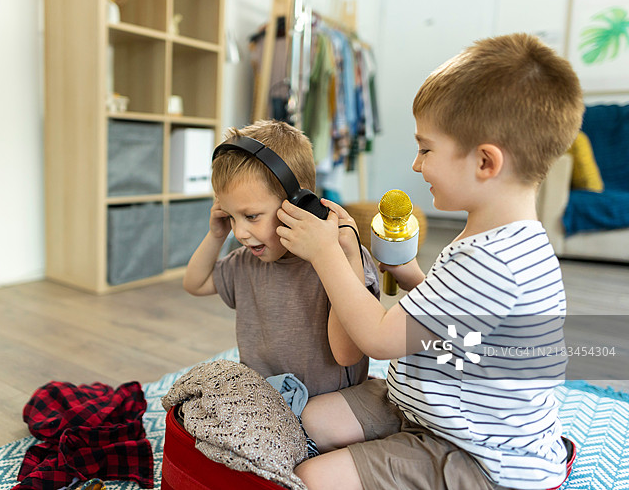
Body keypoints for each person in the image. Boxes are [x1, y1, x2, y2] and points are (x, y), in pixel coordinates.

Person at [276, 33, 583, 490]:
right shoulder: (505, 235)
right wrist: (411, 274)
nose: (417, 166)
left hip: (476, 453)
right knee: (314, 418)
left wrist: (326, 254)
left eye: (426, 149)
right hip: (431, 402)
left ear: (485, 162)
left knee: (311, 477)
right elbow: (461, 321)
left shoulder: (492, 261)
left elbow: (380, 339)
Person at [183, 119, 381, 398]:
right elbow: (195, 283)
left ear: (301, 205)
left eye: (251, 216)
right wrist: (216, 235)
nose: (239, 232)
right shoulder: (245, 262)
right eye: (231, 217)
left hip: (332, 402)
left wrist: (343, 258)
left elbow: (347, 354)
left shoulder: (343, 261)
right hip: (266, 402)